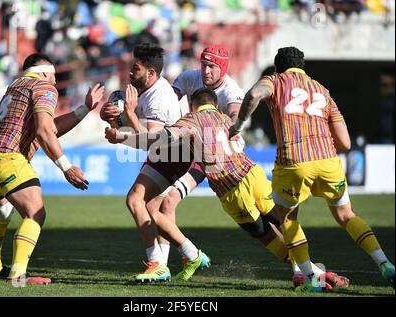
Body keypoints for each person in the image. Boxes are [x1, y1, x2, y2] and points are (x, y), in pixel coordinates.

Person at [107, 88, 349, 288]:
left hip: (231, 188)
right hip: (254, 174)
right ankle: (313, 272)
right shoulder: (225, 119)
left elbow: (156, 140)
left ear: (192, 105)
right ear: (214, 104)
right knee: (285, 222)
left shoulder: (191, 120)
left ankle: (310, 275)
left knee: (265, 235)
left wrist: (121, 135)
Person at [229, 46, 395, 291]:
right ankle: (385, 263)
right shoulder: (322, 90)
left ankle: (309, 276)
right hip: (328, 161)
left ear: (277, 67)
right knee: (347, 215)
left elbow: (253, 95)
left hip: (294, 161)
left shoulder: (276, 80)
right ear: (302, 67)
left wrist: (239, 125)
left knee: (286, 216)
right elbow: (346, 143)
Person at [0, 53, 105, 285]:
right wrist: (66, 167)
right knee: (35, 212)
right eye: (53, 76)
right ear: (45, 73)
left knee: (2, 213)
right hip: (7, 156)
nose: (55, 82)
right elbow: (45, 131)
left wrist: (84, 109)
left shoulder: (16, 85)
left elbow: (47, 127)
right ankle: (17, 275)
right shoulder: (44, 86)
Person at [100, 43, 201, 283]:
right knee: (148, 207)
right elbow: (137, 135)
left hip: (177, 156)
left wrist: (129, 119)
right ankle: (183, 257)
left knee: (138, 201)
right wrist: (112, 120)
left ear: (151, 73)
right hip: (164, 154)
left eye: (135, 69)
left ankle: (162, 262)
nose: (130, 73)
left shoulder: (160, 97)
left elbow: (152, 142)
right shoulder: (142, 89)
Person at [157, 45, 245, 267]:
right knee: (165, 202)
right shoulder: (188, 77)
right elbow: (166, 102)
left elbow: (236, 117)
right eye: (204, 65)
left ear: (222, 68)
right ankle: (160, 265)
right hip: (194, 151)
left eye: (212, 67)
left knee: (255, 216)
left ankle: (300, 265)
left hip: (224, 157)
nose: (206, 71)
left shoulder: (230, 90)